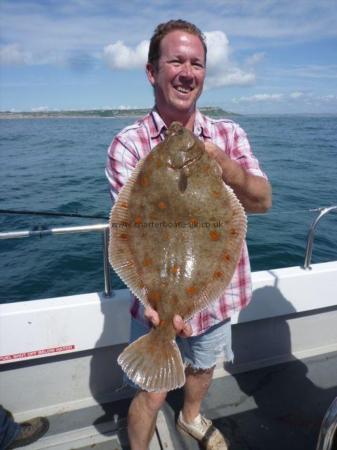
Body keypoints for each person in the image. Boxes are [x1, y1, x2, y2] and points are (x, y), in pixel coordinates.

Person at [106, 19, 272, 450]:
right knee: (152, 390)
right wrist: (160, 308)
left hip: (216, 296)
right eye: (175, 60)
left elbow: (262, 201)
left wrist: (225, 167)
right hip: (156, 304)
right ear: (151, 71)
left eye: (196, 63)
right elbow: (129, 227)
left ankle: (191, 417)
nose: (187, 71)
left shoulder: (228, 134)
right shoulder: (129, 144)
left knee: (202, 367)